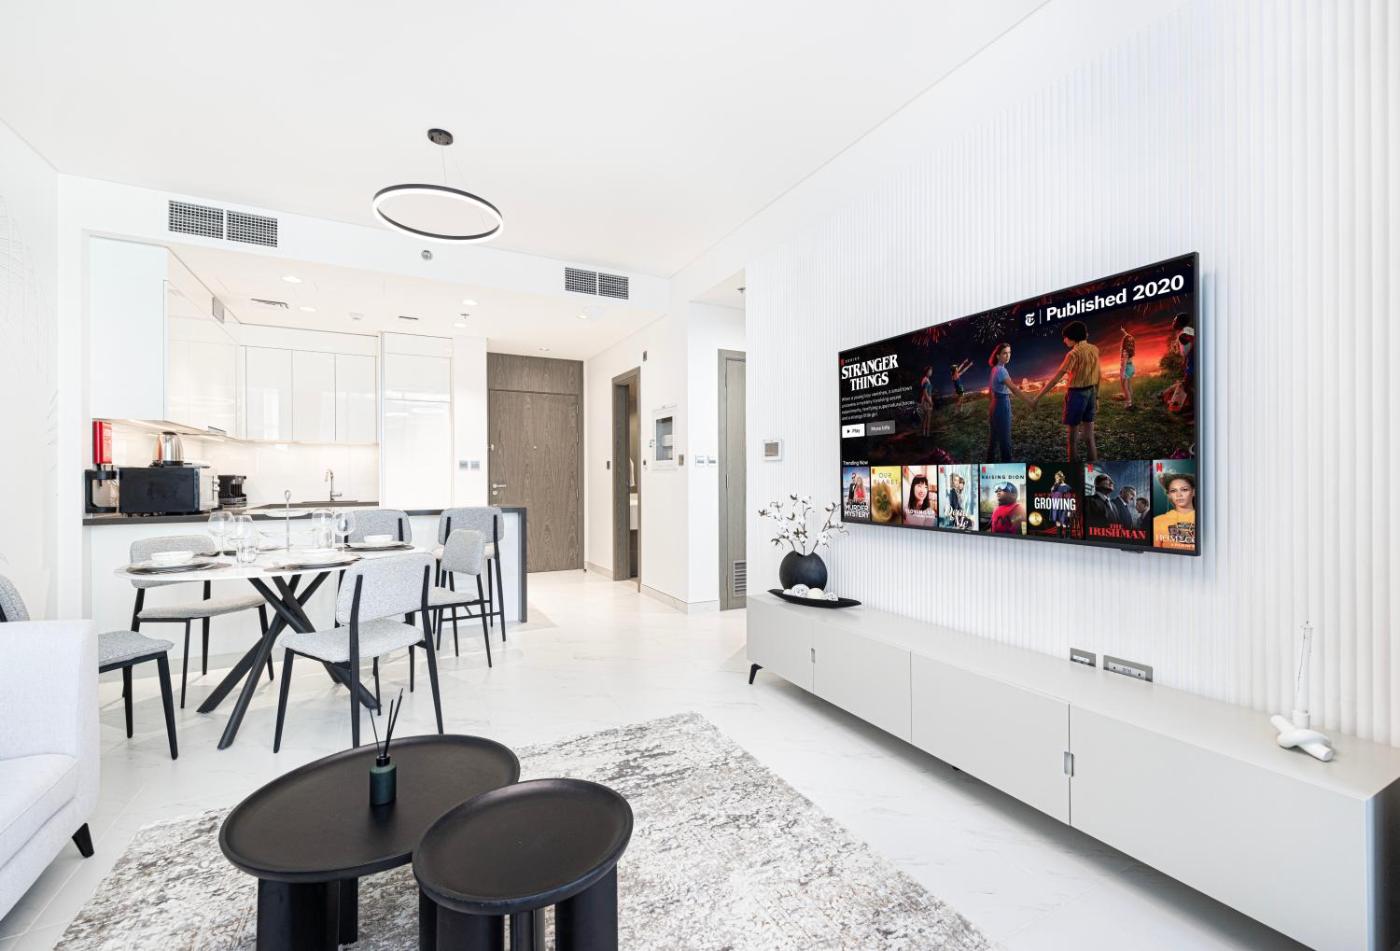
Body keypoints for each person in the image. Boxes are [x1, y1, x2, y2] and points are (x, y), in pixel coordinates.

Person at [1032, 320, 1101, 463]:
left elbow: (1055, 379)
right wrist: (1097, 397)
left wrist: (1037, 397)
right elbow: (1098, 374)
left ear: (1073, 337)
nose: (1064, 340)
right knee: (1090, 437)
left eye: (1065, 337)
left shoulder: (1073, 354)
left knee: (1072, 439)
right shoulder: (1094, 349)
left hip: (1076, 395)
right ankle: (1093, 467)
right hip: (1091, 392)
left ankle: (1072, 469)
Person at [985, 342, 1032, 462]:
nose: (1008, 355)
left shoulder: (994, 369)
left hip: (995, 405)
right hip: (1002, 404)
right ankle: (1007, 466)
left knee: (993, 440)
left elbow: (990, 390)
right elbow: (1014, 389)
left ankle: (989, 463)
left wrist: (991, 406)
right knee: (1005, 442)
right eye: (1004, 353)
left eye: (1009, 352)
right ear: (998, 356)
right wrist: (1029, 401)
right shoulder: (1001, 371)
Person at [1153, 471, 1197, 551]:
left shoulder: (1206, 519)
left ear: (1193, 492)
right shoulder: (1158, 521)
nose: (1179, 495)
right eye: (1173, 491)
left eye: (1184, 489)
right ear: (1169, 495)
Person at [1050, 470, 1074, 537]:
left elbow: (1069, 499)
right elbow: (1052, 496)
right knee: (1058, 523)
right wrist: (1053, 488)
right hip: (1056, 507)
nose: (1056, 479)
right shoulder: (1055, 487)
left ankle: (1067, 539)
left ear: (1061, 478)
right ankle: (1059, 538)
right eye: (1055, 478)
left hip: (1064, 508)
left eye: (1057, 478)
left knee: (1065, 524)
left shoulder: (1067, 487)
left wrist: (1069, 511)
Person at [1118, 326, 1137, 410]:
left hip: (1126, 369)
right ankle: (1129, 401)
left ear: (1124, 342)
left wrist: (1122, 374)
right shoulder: (1131, 349)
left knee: (1125, 388)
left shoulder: (1125, 351)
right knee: (1128, 386)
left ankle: (1129, 404)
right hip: (1131, 368)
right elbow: (1130, 337)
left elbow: (1124, 364)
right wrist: (1124, 331)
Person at [918, 366, 935, 436]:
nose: (931, 372)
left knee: (925, 418)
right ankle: (927, 434)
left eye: (931, 371)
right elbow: (925, 392)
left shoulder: (925, 379)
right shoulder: (926, 380)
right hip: (927, 400)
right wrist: (930, 402)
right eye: (930, 371)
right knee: (928, 418)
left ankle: (924, 433)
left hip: (925, 400)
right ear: (926, 372)